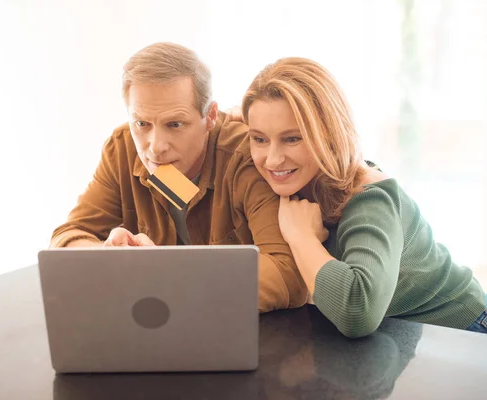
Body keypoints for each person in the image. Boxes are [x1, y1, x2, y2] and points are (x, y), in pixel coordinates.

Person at [240, 57, 487, 338]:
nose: (273, 159)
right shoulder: (295, 176)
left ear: (327, 134)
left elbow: (356, 312)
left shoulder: (370, 198)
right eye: (259, 139)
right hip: (401, 340)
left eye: (292, 139)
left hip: (472, 334)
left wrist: (301, 237)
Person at [50, 42, 308, 312]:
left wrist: (166, 275)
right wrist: (108, 257)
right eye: (142, 124)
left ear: (209, 116)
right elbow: (68, 236)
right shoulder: (122, 148)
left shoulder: (249, 155)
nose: (155, 145)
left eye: (175, 124)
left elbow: (285, 273)